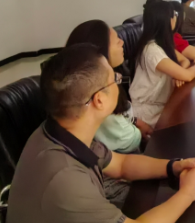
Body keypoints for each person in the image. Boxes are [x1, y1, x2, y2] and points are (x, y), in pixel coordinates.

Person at [6, 44, 195, 223]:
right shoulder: (64, 180)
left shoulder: (61, 131)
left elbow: (121, 165)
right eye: (115, 79)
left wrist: (174, 166)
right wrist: (188, 192)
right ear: (99, 100)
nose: (118, 82)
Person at [65, 20, 152, 155]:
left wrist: (135, 121)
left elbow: (122, 112)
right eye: (117, 41)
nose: (122, 42)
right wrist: (139, 133)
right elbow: (126, 139)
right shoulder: (98, 93)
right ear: (100, 52)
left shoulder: (107, 79)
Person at [130, 0, 195, 127]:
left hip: (161, 104)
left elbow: (184, 61)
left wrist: (177, 74)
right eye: (174, 14)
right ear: (168, 20)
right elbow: (188, 76)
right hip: (149, 113)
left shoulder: (161, 43)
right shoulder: (151, 50)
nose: (176, 17)